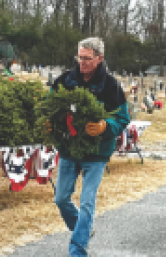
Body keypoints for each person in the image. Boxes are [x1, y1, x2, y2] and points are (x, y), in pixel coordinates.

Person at [51, 37, 130, 256]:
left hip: (96, 153)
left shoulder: (111, 86)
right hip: (69, 149)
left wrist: (106, 126)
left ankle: (78, 249)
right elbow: (50, 107)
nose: (82, 62)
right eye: (80, 57)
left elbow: (123, 118)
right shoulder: (64, 81)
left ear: (99, 58)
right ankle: (83, 229)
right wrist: (51, 122)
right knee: (61, 198)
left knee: (87, 202)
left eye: (87, 58)